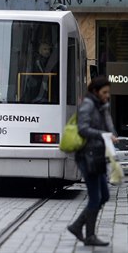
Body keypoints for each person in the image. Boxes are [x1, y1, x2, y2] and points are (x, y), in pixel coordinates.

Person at [67, 76, 118, 246]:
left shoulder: (101, 106)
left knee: (104, 195)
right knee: (95, 198)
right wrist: (102, 135)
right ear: (95, 91)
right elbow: (83, 129)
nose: (107, 95)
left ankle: (77, 225)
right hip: (86, 157)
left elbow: (109, 127)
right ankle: (89, 235)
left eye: (108, 92)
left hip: (97, 156)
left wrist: (110, 130)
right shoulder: (88, 105)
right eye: (104, 92)